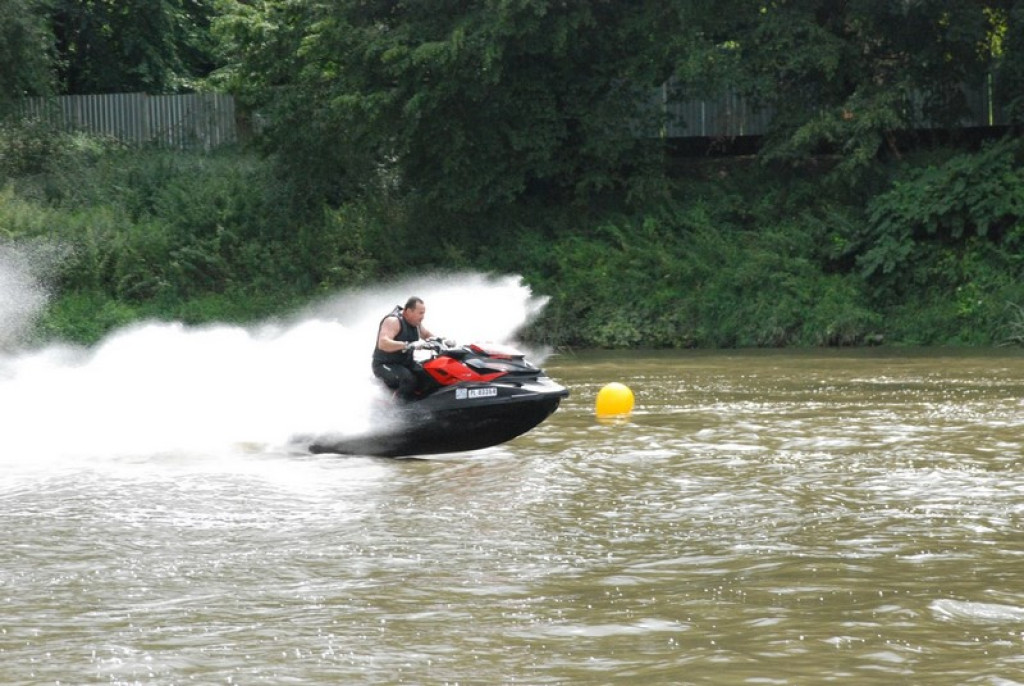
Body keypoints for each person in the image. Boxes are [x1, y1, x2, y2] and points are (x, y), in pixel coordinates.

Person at [372, 296, 439, 400]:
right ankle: (396, 409)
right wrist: (407, 345)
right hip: (384, 365)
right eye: (420, 313)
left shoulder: (416, 323)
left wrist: (441, 340)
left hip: (404, 363)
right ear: (408, 311)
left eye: (424, 313)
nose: (423, 317)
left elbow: (426, 335)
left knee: (429, 374)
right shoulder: (393, 321)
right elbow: (383, 343)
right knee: (408, 380)